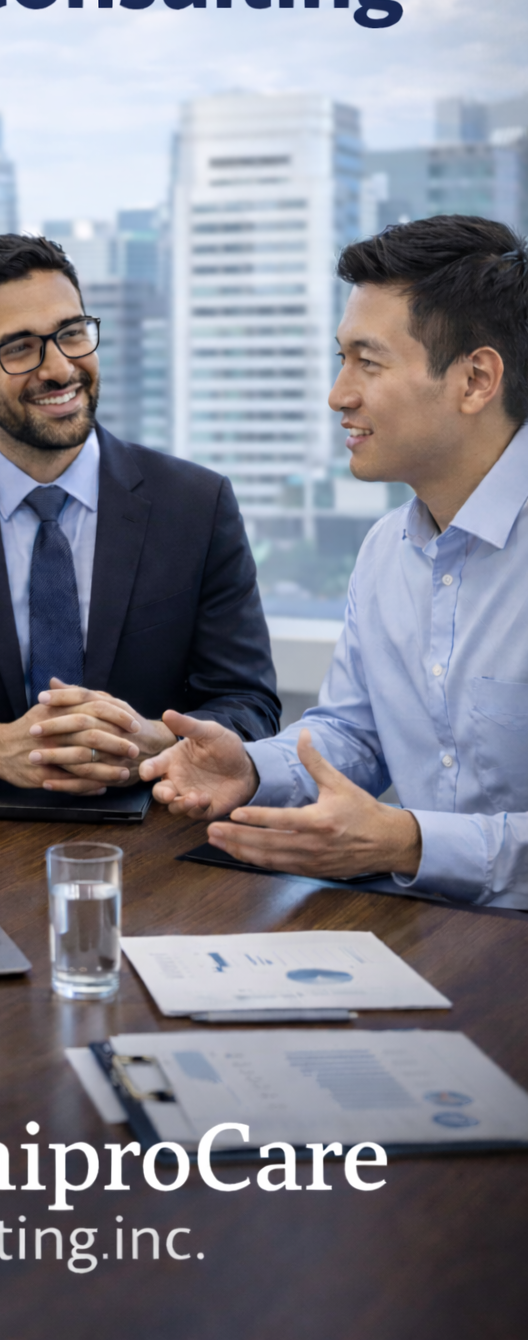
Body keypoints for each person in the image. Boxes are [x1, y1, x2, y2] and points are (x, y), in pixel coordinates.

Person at [141, 214, 528, 908]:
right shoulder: (387, 550)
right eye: (339, 357)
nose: (338, 394)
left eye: (367, 361)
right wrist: (250, 770)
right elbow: (353, 731)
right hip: (421, 927)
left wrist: (409, 842)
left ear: (475, 380)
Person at [0, 233, 279, 792]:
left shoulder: (196, 503)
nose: (59, 368)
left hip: (157, 828)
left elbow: (250, 702)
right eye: (19, 348)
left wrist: (158, 740)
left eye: (71, 334)